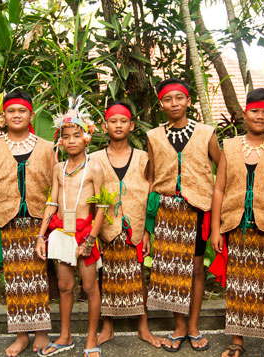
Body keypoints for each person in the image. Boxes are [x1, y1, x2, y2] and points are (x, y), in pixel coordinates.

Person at [210, 89, 264, 357]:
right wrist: (215, 227)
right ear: (245, 113)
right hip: (236, 226)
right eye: (255, 111)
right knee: (237, 284)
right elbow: (220, 189)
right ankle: (237, 342)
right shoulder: (230, 146)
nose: (260, 116)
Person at [146, 78, 221, 352]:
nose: (174, 103)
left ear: (188, 101)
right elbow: (151, 176)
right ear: (161, 104)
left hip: (199, 207)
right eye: (168, 99)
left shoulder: (206, 132)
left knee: (196, 268)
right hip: (167, 208)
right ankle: (178, 325)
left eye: (179, 98)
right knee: (170, 270)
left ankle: (193, 326)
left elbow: (221, 168)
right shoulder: (154, 136)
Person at [0, 91, 55, 357]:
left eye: (22, 111)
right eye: (11, 111)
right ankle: (22, 335)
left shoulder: (47, 147)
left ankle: (43, 331)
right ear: (3, 116)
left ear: (31, 115)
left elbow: (54, 192)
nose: (17, 115)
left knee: (38, 278)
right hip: (8, 222)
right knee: (14, 280)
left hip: (39, 223)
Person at [90, 101, 168, 348]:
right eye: (113, 121)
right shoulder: (94, 158)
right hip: (106, 226)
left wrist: (146, 229)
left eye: (123, 121)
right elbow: (89, 197)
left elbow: (151, 192)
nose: (118, 125)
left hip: (135, 224)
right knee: (106, 274)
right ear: (105, 126)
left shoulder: (144, 158)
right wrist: (94, 231)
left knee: (138, 275)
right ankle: (108, 327)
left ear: (131, 125)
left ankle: (143, 328)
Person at [35, 96, 103, 357]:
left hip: (85, 232)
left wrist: (90, 240)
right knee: (65, 286)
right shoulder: (59, 169)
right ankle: (64, 336)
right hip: (61, 231)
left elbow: (102, 207)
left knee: (88, 287)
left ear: (87, 137)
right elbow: (52, 202)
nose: (71, 140)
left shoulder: (95, 168)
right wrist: (41, 236)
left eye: (77, 135)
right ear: (60, 140)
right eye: (66, 136)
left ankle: (91, 338)